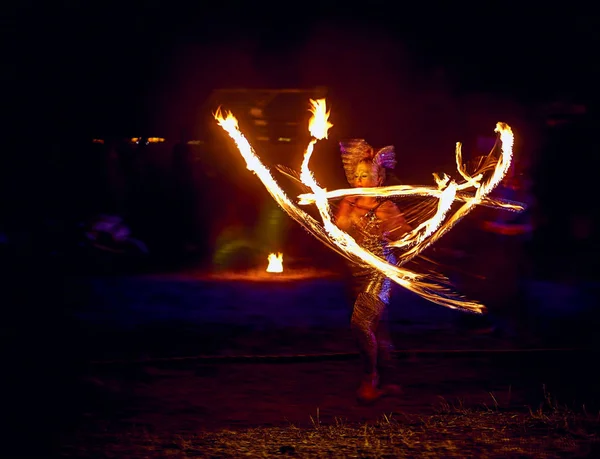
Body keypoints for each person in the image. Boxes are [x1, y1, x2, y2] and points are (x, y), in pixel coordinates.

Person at [333, 139, 412, 403]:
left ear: (378, 179)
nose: (358, 179)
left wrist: (393, 233)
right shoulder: (350, 202)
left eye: (365, 175)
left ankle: (370, 381)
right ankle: (391, 380)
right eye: (356, 175)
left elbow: (407, 237)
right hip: (355, 275)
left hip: (379, 274)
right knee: (377, 330)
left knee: (361, 324)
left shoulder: (385, 207)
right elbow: (338, 231)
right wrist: (345, 206)